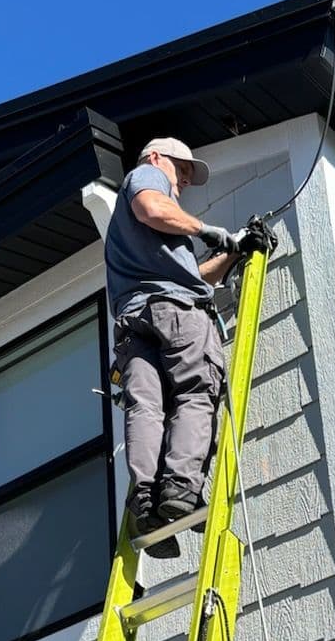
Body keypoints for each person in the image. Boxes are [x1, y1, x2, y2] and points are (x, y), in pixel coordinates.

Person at [104, 137, 265, 547]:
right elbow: (153, 207)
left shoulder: (138, 241)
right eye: (182, 171)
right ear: (156, 158)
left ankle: (145, 501)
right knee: (196, 392)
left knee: (147, 406)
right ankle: (178, 489)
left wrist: (234, 250)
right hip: (174, 314)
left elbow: (192, 277)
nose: (183, 184)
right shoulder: (146, 177)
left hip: (135, 322)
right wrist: (206, 228)